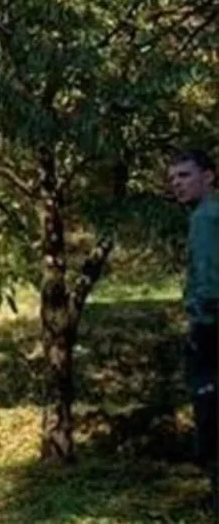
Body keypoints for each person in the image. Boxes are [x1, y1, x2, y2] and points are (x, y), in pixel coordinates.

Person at [171, 150, 219, 511]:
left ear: (209, 177)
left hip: (211, 331)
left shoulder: (206, 218)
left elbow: (208, 283)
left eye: (185, 176)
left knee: (211, 417)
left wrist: (199, 324)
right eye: (173, 178)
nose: (177, 184)